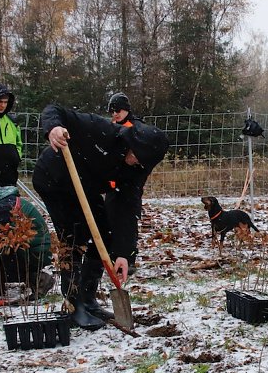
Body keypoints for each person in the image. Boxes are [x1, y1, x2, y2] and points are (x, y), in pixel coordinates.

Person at [32, 102, 169, 330]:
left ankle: (88, 298)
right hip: (54, 180)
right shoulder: (99, 129)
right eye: (135, 156)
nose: (136, 161)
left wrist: (125, 253)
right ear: (130, 143)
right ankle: (73, 305)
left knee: (105, 234)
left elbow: (128, 207)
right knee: (73, 238)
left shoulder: (136, 168)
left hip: (86, 187)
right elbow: (55, 109)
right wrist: (53, 128)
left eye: (141, 161)